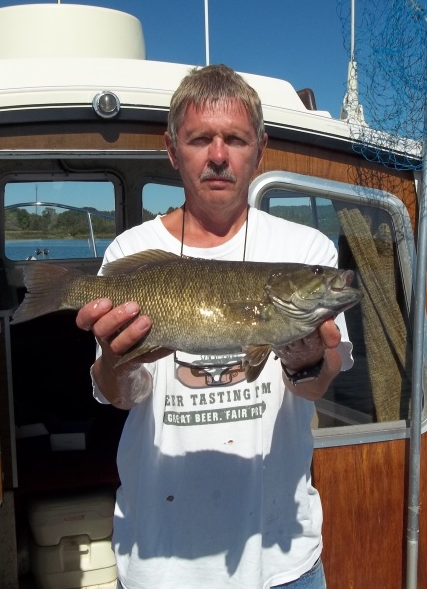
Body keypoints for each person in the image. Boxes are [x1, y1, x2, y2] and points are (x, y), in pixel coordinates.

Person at [76, 64, 353, 589]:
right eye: (201, 139)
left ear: (261, 149)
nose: (219, 155)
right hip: (161, 561)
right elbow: (120, 395)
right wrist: (115, 362)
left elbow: (319, 382)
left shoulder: (306, 251)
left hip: (281, 559)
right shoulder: (130, 255)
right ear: (172, 150)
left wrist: (305, 357)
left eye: (235, 139)